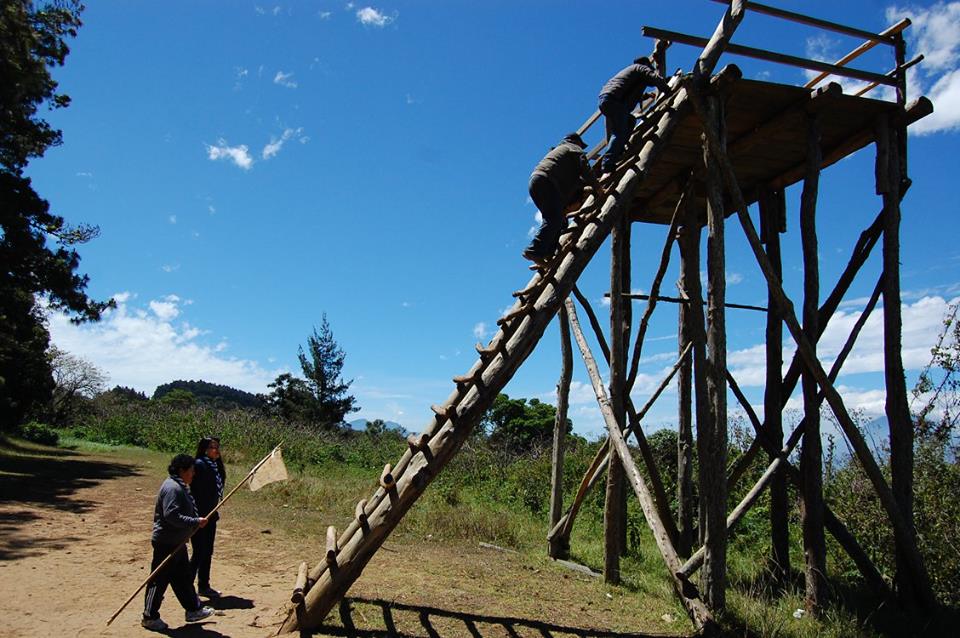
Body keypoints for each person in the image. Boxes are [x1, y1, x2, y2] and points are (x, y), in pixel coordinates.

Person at [142, 454, 215, 631]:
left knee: (182, 578)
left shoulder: (179, 485)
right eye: (191, 470)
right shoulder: (173, 488)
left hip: (177, 542)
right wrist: (194, 521)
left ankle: (193, 610)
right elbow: (171, 515)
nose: (193, 474)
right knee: (158, 580)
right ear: (182, 471)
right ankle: (149, 616)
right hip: (166, 543)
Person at [523, 133, 602, 263]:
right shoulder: (572, 147)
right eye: (580, 145)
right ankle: (534, 250)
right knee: (554, 218)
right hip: (546, 181)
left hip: (538, 181)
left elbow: (571, 183)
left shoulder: (560, 156)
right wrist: (597, 187)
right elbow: (584, 166)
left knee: (559, 220)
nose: (581, 147)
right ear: (575, 141)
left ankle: (547, 253)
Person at [598, 56, 671, 173]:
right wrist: (667, 89)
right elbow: (653, 77)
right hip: (615, 101)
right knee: (619, 132)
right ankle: (608, 163)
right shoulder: (640, 68)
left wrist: (646, 96)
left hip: (608, 100)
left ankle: (619, 150)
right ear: (646, 64)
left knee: (630, 121)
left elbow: (629, 92)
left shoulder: (630, 72)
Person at [191, 436, 226, 599]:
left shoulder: (215, 465)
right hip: (198, 516)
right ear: (205, 449)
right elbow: (191, 489)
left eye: (217, 447)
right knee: (199, 551)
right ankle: (187, 586)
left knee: (207, 551)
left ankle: (204, 585)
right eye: (213, 447)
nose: (216, 450)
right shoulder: (198, 465)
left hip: (211, 514)